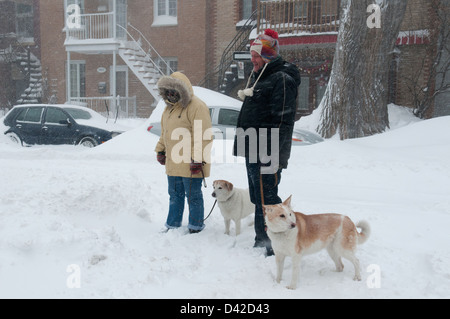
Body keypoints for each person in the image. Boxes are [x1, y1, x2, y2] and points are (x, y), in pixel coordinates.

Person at [233, 29, 301, 256]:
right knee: (257, 196)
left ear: (269, 56)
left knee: (269, 197)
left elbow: (282, 119)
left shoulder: (281, 78)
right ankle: (262, 238)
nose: (252, 59)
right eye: (252, 55)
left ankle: (277, 243)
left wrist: (270, 152)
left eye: (257, 55)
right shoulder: (261, 76)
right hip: (253, 145)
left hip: (267, 149)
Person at [155, 72, 213, 234]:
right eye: (168, 92)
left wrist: (197, 159)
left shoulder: (197, 106)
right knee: (174, 195)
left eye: (174, 91)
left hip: (191, 163)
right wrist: (161, 149)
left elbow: (203, 136)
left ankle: (196, 226)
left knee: (193, 196)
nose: (171, 95)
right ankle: (173, 223)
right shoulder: (169, 109)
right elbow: (165, 133)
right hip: (173, 162)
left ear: (182, 90)